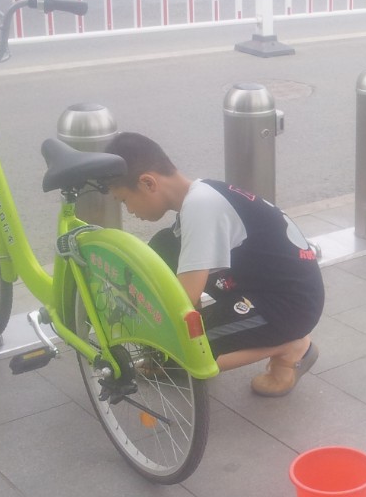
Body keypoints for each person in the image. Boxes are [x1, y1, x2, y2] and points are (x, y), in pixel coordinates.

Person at [105, 132, 325, 397]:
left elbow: (183, 298)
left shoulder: (202, 206)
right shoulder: (202, 194)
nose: (129, 210)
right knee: (166, 245)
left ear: (148, 183)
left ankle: (292, 347)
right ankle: (202, 340)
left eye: (124, 200)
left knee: (183, 354)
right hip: (263, 283)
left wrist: (148, 328)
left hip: (289, 306)